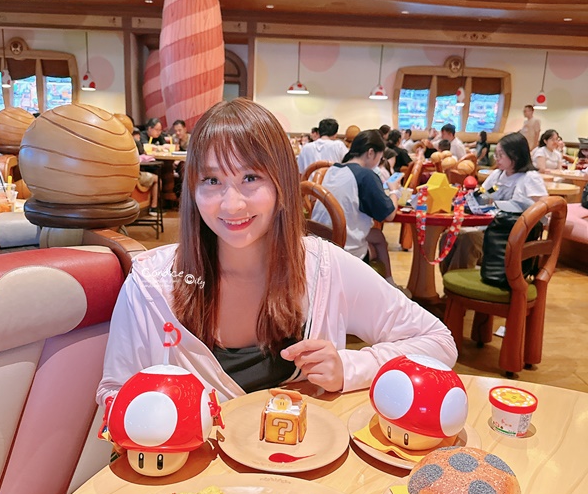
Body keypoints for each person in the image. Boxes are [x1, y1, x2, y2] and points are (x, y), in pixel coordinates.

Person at [97, 99, 456, 405]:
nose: (232, 204)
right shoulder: (153, 285)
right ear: (192, 189)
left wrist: (348, 367)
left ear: (282, 183)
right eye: (212, 181)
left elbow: (439, 342)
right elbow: (115, 393)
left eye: (250, 178)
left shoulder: (323, 268)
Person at [440, 132, 548, 273]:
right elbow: (481, 195)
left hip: (510, 237)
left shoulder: (530, 178)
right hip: (489, 229)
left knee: (468, 240)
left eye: (500, 155)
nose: (496, 159)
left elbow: (544, 212)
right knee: (448, 236)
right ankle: (451, 285)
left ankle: (456, 288)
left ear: (515, 155)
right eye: (496, 154)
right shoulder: (498, 175)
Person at [312, 129, 405, 290]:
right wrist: (395, 191)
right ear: (371, 152)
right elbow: (389, 215)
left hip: (318, 244)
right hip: (344, 251)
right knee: (378, 239)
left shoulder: (333, 169)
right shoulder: (365, 176)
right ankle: (386, 288)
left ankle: (388, 286)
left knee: (377, 236)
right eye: (379, 157)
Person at [132, 128, 162, 216]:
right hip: (135, 176)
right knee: (157, 179)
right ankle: (154, 207)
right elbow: (142, 153)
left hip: (124, 177)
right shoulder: (133, 142)